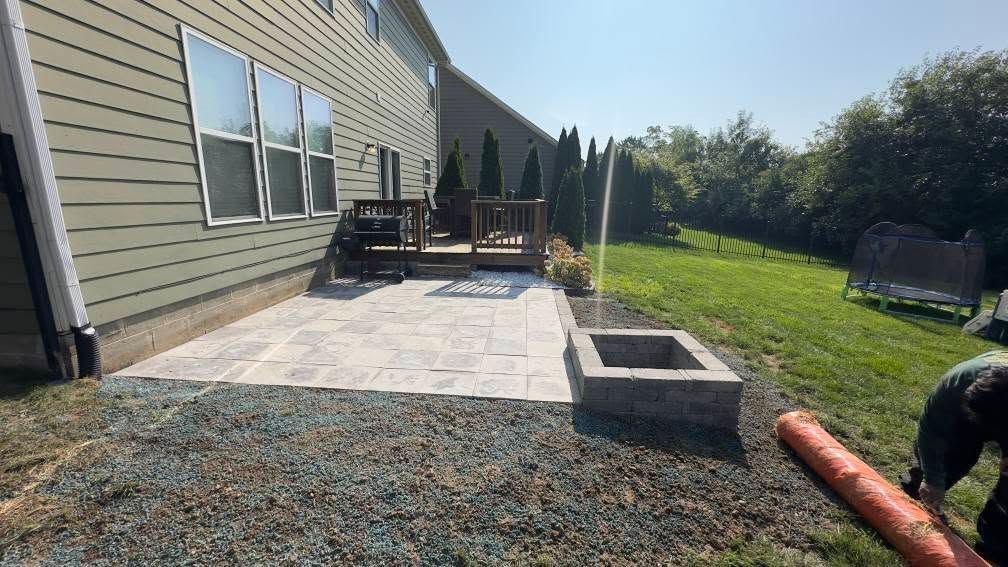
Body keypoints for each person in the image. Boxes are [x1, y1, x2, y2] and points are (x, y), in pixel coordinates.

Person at [900, 350, 1008, 563]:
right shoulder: (960, 382)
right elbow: (931, 431)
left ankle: (997, 545)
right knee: (956, 452)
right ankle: (919, 484)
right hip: (971, 410)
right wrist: (933, 479)